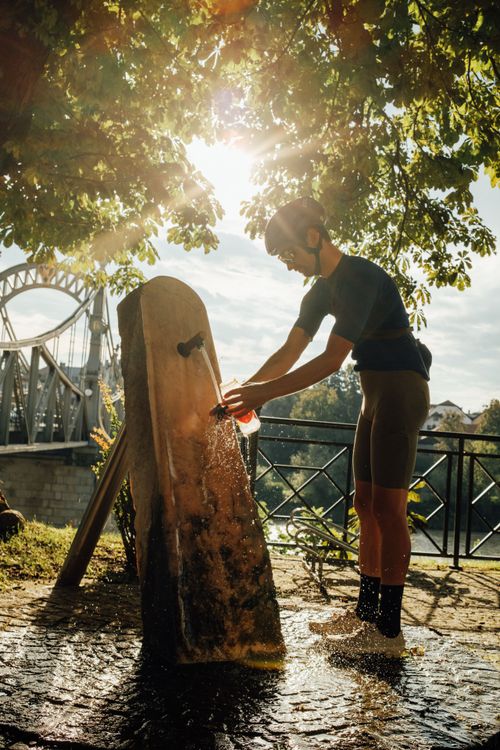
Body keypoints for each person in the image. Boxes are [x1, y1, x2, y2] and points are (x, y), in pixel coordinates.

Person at [220, 197, 431, 658]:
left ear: (314, 237)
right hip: (372, 395)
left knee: (391, 510)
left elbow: (332, 359)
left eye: (290, 254)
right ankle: (365, 614)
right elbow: (288, 353)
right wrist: (239, 390)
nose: (290, 266)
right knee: (365, 504)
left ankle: (389, 632)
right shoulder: (318, 292)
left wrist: (263, 396)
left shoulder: (361, 277)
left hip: (401, 391)